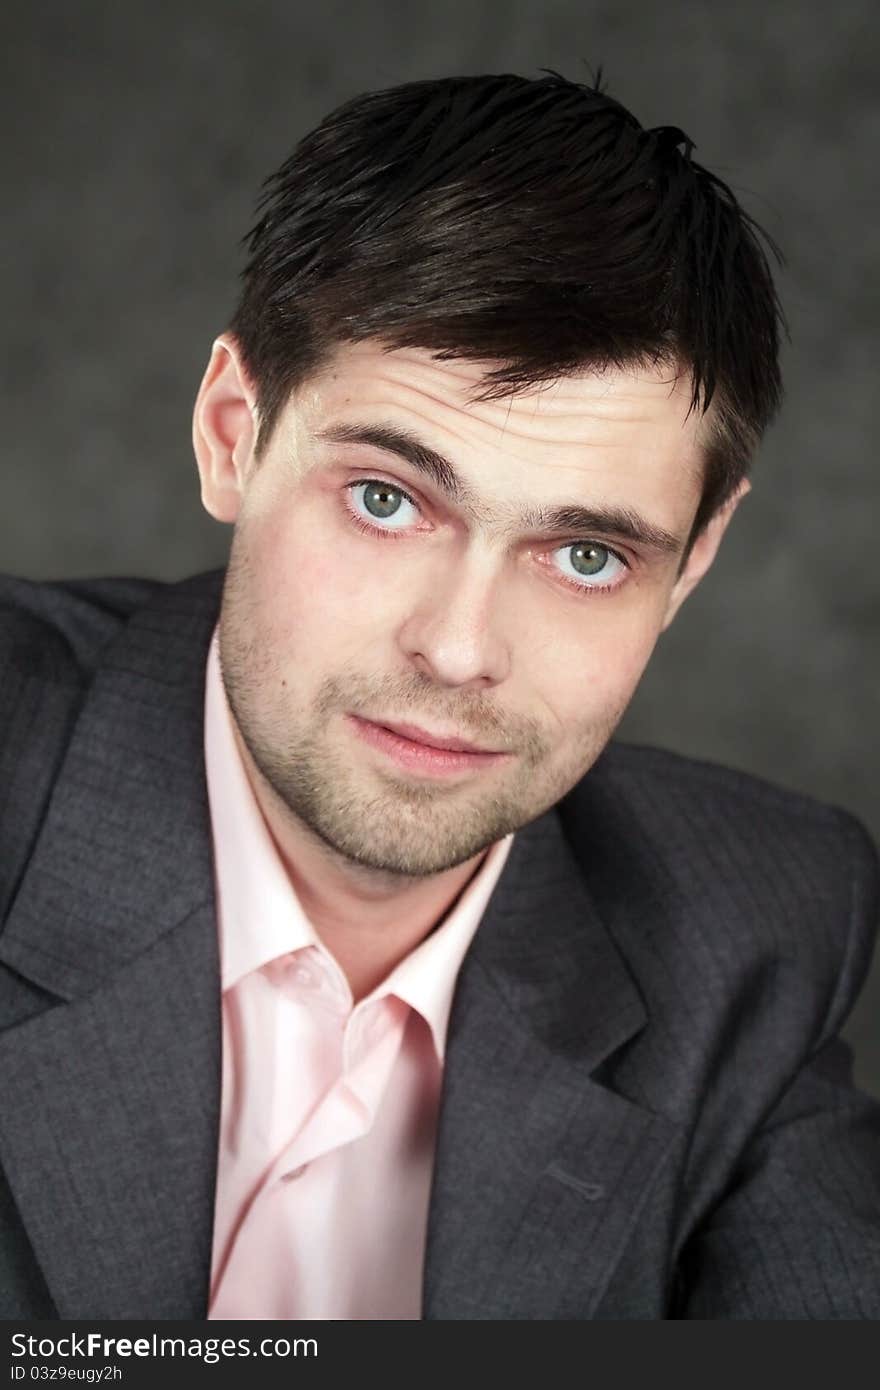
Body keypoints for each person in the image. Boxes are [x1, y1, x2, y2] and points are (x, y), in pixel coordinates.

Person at [0, 69, 878, 1323]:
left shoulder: (750, 933)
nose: (460, 649)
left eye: (587, 555)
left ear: (692, 563)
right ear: (232, 432)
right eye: (386, 498)